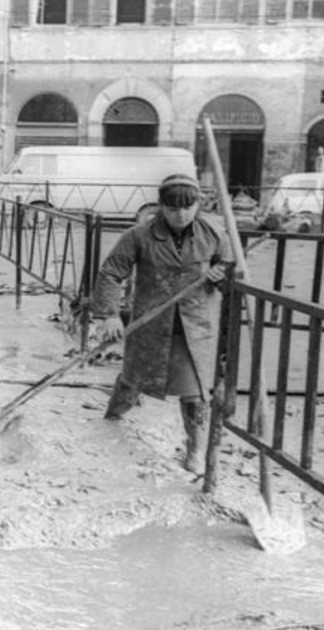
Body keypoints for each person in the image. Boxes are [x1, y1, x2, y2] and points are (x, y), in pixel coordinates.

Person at [91, 173, 232, 473]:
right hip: (151, 324)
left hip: (196, 328)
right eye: (171, 208)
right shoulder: (139, 235)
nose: (180, 214)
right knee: (133, 378)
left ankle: (194, 450)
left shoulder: (215, 235)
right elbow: (112, 273)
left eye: (187, 207)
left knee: (195, 393)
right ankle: (114, 417)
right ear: (161, 207)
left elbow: (232, 267)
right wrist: (110, 314)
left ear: (198, 205)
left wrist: (223, 275)